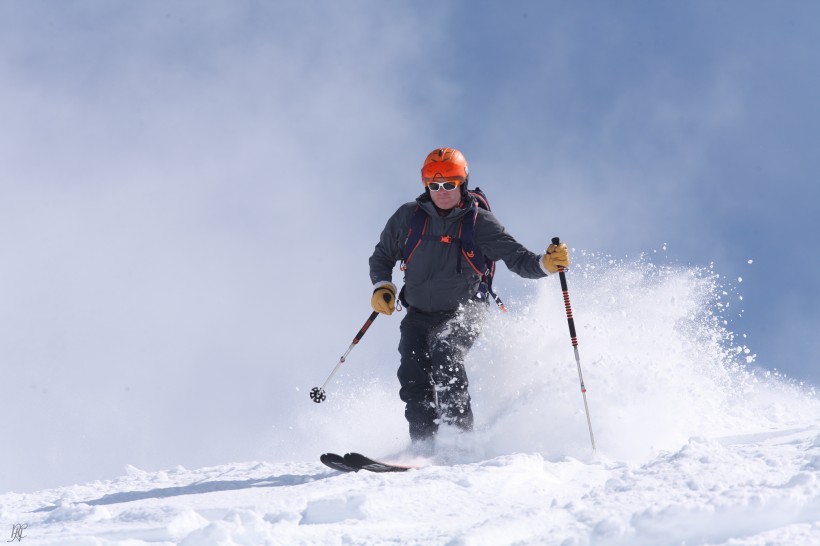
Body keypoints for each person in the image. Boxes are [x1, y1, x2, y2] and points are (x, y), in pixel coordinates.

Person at [368, 147, 569, 448]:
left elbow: (518, 259)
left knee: (446, 354)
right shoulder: (408, 218)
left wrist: (546, 264)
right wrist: (383, 285)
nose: (442, 191)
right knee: (413, 374)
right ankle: (423, 446)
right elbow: (382, 255)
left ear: (462, 183)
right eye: (434, 185)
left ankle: (459, 441)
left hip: (466, 310)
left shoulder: (480, 223)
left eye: (449, 184)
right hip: (419, 315)